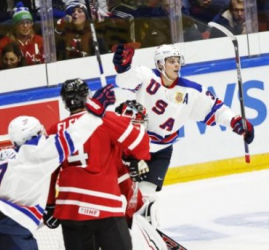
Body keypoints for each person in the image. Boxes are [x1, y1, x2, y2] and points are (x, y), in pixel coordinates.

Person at [112, 43, 254, 226]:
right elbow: (124, 80)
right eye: (171, 61)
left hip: (161, 152)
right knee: (121, 196)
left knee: (146, 200)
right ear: (160, 64)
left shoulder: (191, 91)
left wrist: (235, 122)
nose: (176, 65)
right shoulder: (146, 76)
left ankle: (147, 236)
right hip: (134, 149)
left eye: (178, 61)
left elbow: (217, 109)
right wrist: (123, 67)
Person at [0, 84, 116, 250]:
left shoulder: (7, 158)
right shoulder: (36, 153)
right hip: (13, 226)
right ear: (35, 133)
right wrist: (95, 111)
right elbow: (72, 136)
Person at [44, 78, 151, 250]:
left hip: (69, 209)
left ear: (64, 101)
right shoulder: (104, 121)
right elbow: (141, 144)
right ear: (88, 97)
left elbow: (48, 172)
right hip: (105, 206)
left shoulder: (54, 130)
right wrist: (133, 158)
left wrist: (49, 204)